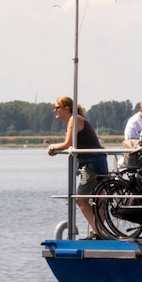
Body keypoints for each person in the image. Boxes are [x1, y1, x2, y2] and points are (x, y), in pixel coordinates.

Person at [46, 96, 108, 238]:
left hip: (91, 162)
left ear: (66, 108)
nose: (54, 110)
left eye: (57, 107)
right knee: (99, 199)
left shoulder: (74, 119)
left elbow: (68, 144)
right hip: (96, 161)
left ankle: (98, 233)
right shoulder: (74, 120)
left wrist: (53, 147)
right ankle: (98, 232)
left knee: (80, 199)